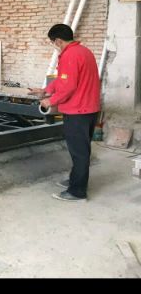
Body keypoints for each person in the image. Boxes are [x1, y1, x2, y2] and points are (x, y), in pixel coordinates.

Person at [29, 23, 101, 201]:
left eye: (53, 43)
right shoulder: (84, 52)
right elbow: (63, 80)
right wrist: (45, 90)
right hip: (89, 109)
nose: (55, 46)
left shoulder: (70, 55)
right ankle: (75, 180)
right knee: (81, 150)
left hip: (78, 111)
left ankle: (77, 192)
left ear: (58, 41)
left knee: (79, 152)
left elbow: (68, 87)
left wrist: (50, 101)